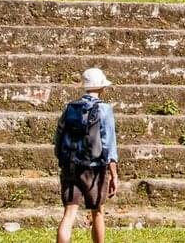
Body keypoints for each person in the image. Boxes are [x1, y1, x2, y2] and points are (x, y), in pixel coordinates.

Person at [54, 68, 119, 243]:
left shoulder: (70, 108)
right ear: (101, 87)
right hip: (94, 168)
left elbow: (58, 137)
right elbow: (109, 144)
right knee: (97, 212)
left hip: (70, 166)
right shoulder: (104, 109)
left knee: (69, 213)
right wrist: (114, 174)